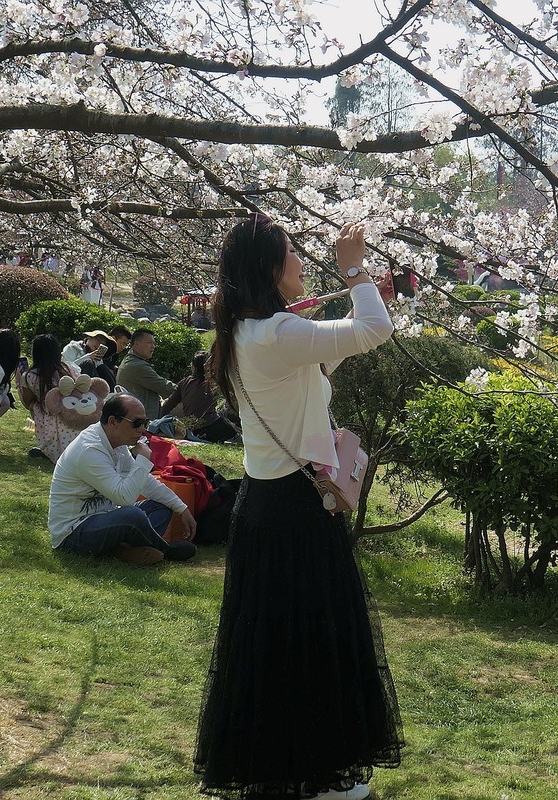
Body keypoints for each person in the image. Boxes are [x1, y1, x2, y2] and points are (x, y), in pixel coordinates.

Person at [195, 215, 400, 800]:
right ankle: (318, 773)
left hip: (266, 504)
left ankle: (289, 770)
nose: (300, 259)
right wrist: (356, 272)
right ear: (268, 267)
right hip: (295, 508)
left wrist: (365, 301)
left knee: (275, 646)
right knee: (313, 639)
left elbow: (324, 361)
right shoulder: (277, 334)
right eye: (290, 251)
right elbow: (374, 332)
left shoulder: (252, 332)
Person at [48, 392, 197, 565]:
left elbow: (146, 484)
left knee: (161, 506)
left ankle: (122, 549)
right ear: (113, 422)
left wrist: (182, 508)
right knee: (132, 515)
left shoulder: (116, 442)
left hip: (107, 517)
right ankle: (165, 550)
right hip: (73, 533)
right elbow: (124, 497)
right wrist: (142, 460)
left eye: (145, 422)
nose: (142, 429)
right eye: (137, 423)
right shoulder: (90, 449)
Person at [18, 334, 100, 462]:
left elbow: (27, 402)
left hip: (49, 419)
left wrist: (19, 385)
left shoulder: (30, 376)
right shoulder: (70, 368)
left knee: (35, 405)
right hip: (75, 415)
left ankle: (48, 446)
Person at [159, 351, 235, 443]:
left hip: (192, 430)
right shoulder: (212, 382)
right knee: (232, 414)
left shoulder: (184, 382)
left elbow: (167, 405)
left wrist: (160, 423)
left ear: (193, 367)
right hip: (212, 428)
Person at [115, 328, 176, 418]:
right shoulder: (138, 366)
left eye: (154, 343)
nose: (153, 346)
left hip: (133, 413)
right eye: (149, 343)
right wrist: (186, 390)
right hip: (144, 419)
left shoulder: (130, 360)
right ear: (136, 344)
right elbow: (165, 387)